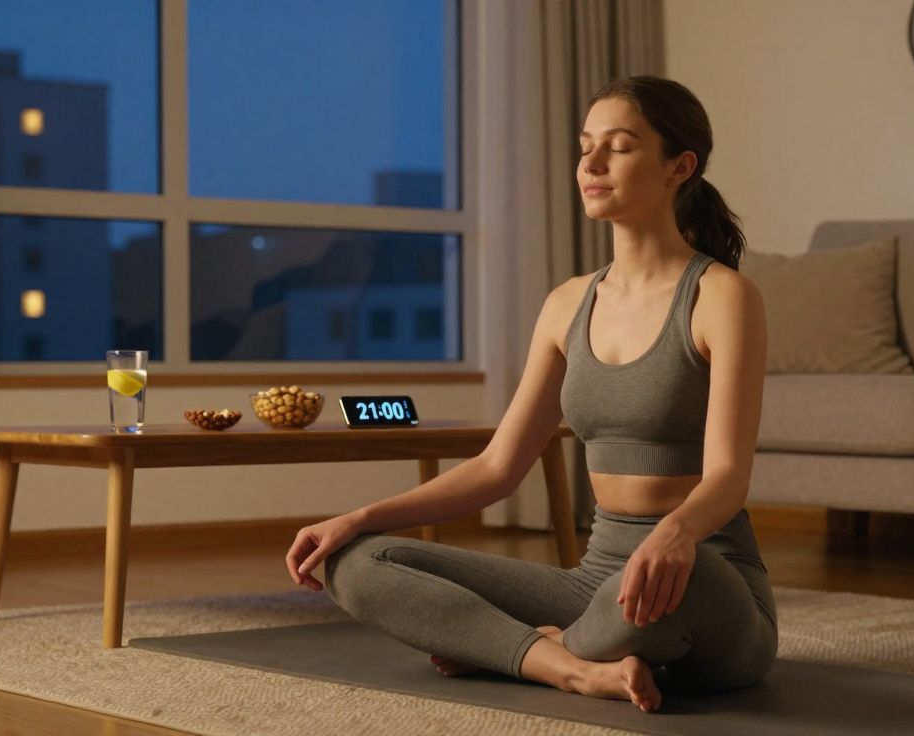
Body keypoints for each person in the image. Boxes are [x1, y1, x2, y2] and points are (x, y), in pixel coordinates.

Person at [285, 75, 775, 714]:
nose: (591, 164)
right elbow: (498, 467)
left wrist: (676, 532)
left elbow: (729, 476)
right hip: (594, 585)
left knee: (681, 578)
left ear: (679, 167)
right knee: (356, 560)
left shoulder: (723, 297)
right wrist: (358, 518)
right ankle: (570, 668)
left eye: (620, 146)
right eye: (585, 146)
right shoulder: (567, 304)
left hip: (707, 583)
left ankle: (521, 647)